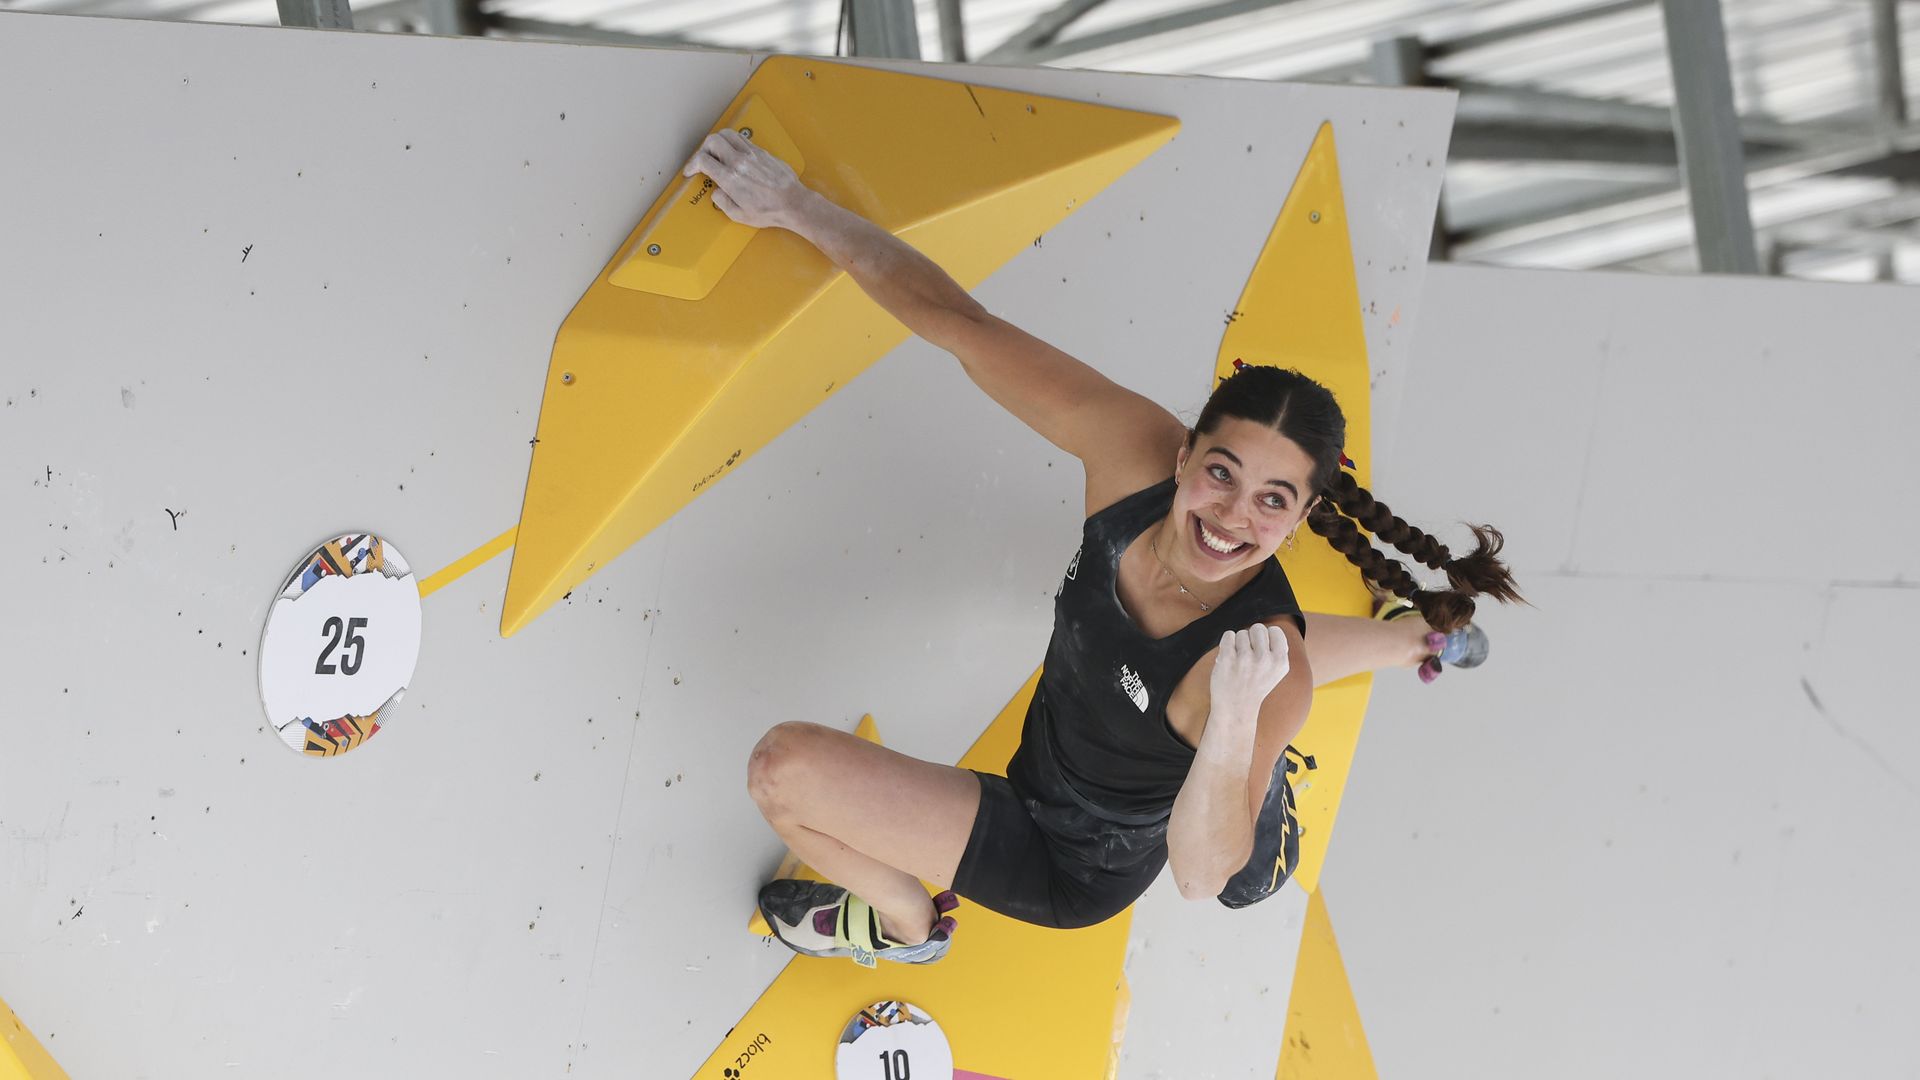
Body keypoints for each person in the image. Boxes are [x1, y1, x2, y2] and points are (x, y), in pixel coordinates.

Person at [679, 130, 1522, 967]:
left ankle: (907, 926)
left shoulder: (1266, 678)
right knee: (1247, 654)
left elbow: (1195, 877)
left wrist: (1233, 724)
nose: (1233, 517)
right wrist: (794, 205)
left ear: (1299, 520)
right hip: (1069, 751)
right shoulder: (1130, 457)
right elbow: (962, 327)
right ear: (1183, 452)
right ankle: (1421, 634)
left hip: (1078, 864)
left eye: (1273, 502)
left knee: (780, 771)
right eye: (1221, 473)